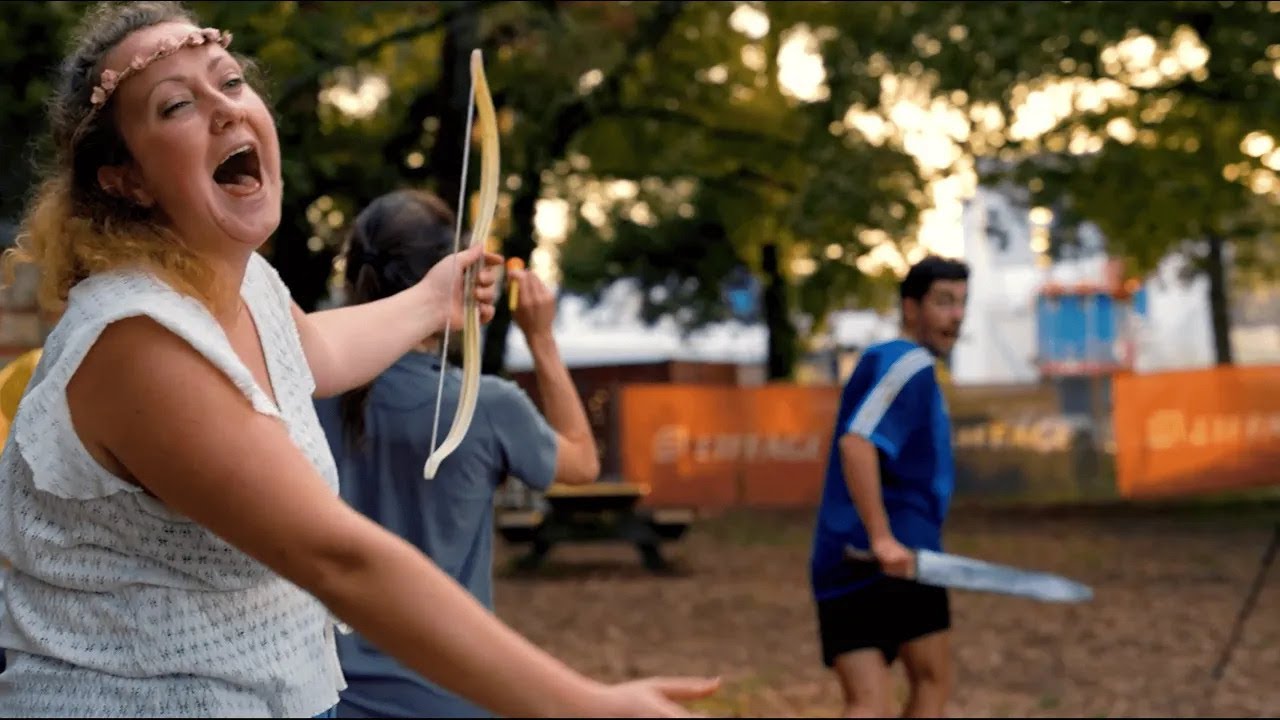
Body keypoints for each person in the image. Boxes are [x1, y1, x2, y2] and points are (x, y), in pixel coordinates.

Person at [0, 2, 719, 717]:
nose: (226, 110)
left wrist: (437, 301)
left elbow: (310, 350)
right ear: (125, 178)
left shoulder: (242, 284)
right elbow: (337, 559)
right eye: (178, 104)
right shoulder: (138, 339)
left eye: (230, 81)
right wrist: (584, 706)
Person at [311, 188, 603, 719]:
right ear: (453, 279)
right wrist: (541, 338)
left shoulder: (300, 389)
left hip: (327, 697)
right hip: (452, 696)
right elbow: (582, 461)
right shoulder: (485, 405)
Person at [808, 255, 969, 718]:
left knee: (867, 700)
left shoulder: (881, 360)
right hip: (898, 556)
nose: (956, 315)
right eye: (943, 302)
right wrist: (882, 537)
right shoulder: (910, 365)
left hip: (838, 557)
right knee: (932, 680)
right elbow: (856, 444)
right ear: (910, 307)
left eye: (961, 303)